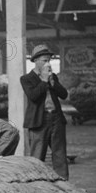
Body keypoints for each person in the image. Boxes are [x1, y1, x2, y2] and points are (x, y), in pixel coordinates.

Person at [20, 44, 69, 180]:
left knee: (59, 154)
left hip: (56, 119)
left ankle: (64, 185)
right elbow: (33, 96)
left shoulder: (52, 77)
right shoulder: (26, 79)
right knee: (37, 156)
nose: (48, 63)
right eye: (44, 60)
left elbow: (64, 95)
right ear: (35, 61)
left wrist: (53, 83)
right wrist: (43, 80)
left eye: (49, 60)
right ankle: (37, 185)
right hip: (38, 122)